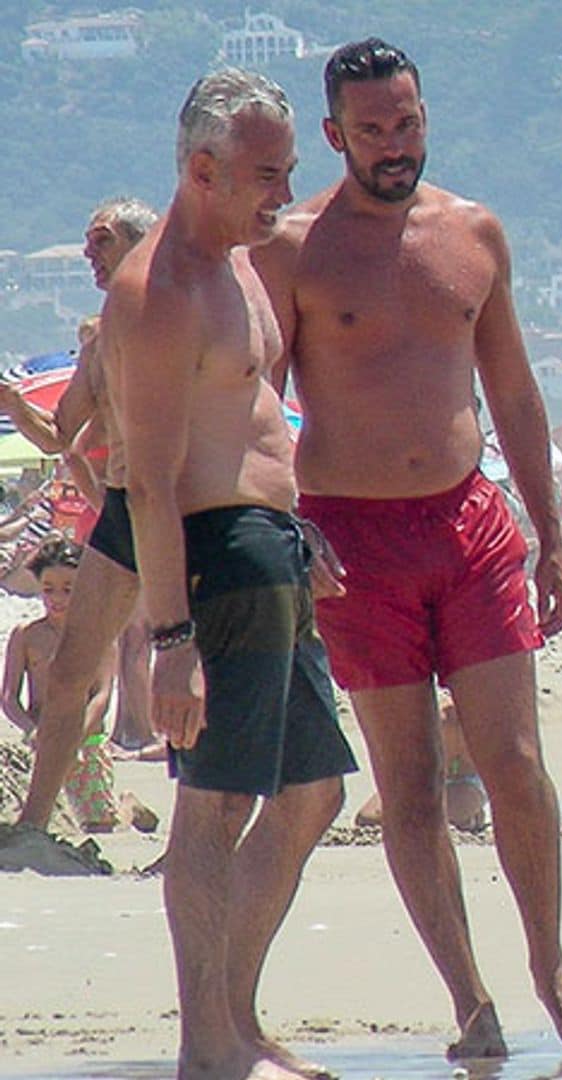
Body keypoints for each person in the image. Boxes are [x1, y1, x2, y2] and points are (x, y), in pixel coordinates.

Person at [251, 39, 562, 1056]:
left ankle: (548, 960)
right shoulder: (293, 246)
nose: (393, 145)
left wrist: (548, 532)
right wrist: (288, 522)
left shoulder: (472, 233)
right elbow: (260, 401)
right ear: (334, 136)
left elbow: (516, 392)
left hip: (471, 523)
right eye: (372, 131)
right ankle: (469, 999)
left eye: (406, 123)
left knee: (515, 761)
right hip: (351, 540)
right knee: (406, 787)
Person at [112, 68, 357, 1080]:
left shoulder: (241, 265)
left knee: (311, 794)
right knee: (213, 803)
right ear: (203, 168)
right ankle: (205, 1048)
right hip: (213, 563)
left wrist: (302, 529)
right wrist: (170, 642)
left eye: (290, 172)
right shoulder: (161, 293)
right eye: (267, 174)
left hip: (272, 548)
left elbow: (255, 422)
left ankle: (238, 1018)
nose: (284, 194)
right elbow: (153, 484)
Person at [0, 197, 164, 795]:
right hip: (124, 507)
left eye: (102, 241)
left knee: (184, 661)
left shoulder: (182, 313)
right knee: (75, 664)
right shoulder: (98, 338)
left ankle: (195, 836)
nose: (89, 255)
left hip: (182, 502)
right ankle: (37, 820)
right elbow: (61, 437)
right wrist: (15, 404)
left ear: (139, 245)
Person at [1, 538, 156, 833]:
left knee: (99, 825)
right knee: (41, 818)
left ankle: (128, 807)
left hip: (87, 741)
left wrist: (74, 736)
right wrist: (31, 729)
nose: (57, 598)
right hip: (41, 738)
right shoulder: (27, 636)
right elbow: (9, 697)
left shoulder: (99, 637)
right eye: (48, 590)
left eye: (68, 590)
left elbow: (101, 695)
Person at [355, 692, 488, 833]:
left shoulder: (484, 713)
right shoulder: (435, 715)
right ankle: (469, 817)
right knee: (367, 819)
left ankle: (468, 814)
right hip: (422, 777)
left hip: (469, 781)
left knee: (437, 817)